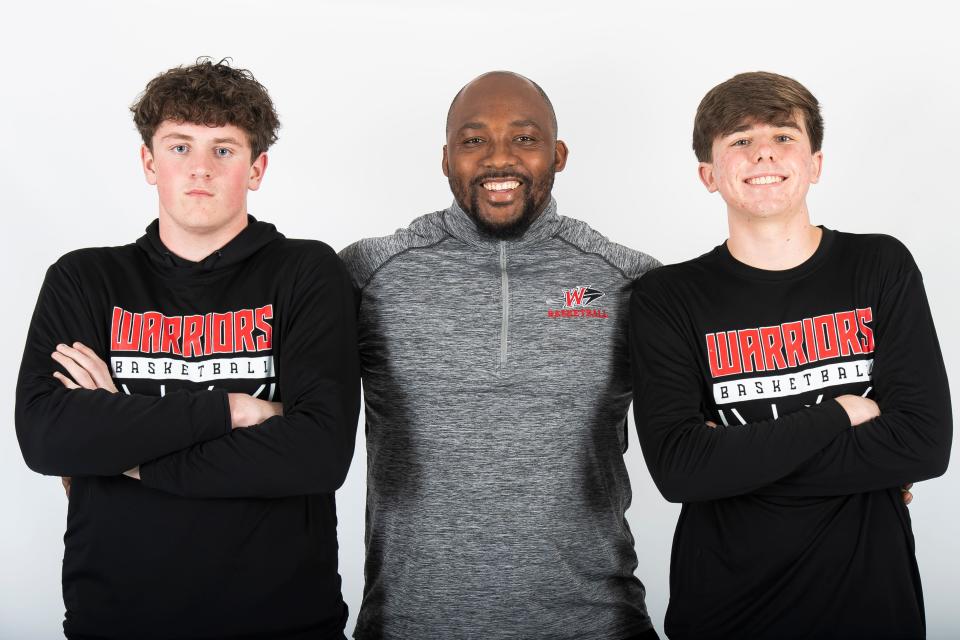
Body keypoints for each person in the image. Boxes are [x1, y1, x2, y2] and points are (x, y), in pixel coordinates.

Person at [15, 58, 360, 639]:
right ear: (149, 161)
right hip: (116, 622)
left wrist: (122, 451)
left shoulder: (307, 272)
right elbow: (48, 436)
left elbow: (318, 453)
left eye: (223, 149)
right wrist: (234, 410)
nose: (200, 169)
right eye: (179, 147)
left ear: (257, 168)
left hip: (284, 622)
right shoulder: (86, 279)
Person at [630, 71, 952, 639]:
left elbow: (923, 444)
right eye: (738, 141)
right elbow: (681, 470)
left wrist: (733, 462)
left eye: (783, 136)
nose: (763, 153)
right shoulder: (669, 297)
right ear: (709, 175)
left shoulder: (879, 266)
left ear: (816, 163)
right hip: (727, 613)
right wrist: (840, 417)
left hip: (873, 608)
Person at [339, 71, 660, 639]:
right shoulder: (371, 274)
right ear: (445, 159)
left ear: (558, 155)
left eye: (524, 139)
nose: (498, 159)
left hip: (596, 625)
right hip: (411, 626)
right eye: (473, 140)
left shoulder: (627, 280)